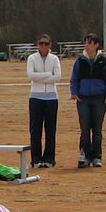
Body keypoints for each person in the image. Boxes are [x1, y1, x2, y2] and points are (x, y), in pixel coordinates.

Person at [69, 34, 106, 168]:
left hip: (99, 98)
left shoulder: (104, 60)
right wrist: (74, 93)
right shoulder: (80, 60)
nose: (86, 45)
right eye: (86, 43)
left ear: (96, 45)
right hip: (83, 98)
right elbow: (74, 78)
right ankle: (85, 155)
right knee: (84, 128)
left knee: (97, 129)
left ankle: (97, 156)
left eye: (89, 43)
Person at [25, 34, 62, 169]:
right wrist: (47, 74)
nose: (43, 46)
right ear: (37, 44)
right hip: (35, 97)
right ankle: (36, 159)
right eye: (41, 43)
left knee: (50, 130)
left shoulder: (54, 58)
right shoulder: (32, 58)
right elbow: (30, 75)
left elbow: (58, 77)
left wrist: (39, 77)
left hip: (52, 98)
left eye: (46, 44)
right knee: (35, 130)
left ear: (50, 45)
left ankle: (49, 158)